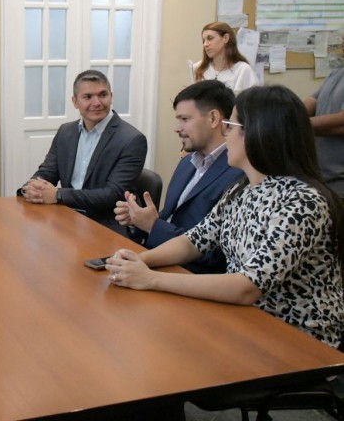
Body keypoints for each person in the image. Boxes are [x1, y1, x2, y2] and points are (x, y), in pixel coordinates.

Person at [105, 86, 344, 347]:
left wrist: (151, 279)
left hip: (295, 338)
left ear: (258, 133)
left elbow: (247, 287)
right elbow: (193, 241)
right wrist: (140, 260)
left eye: (231, 126)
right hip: (244, 320)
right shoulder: (241, 189)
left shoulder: (302, 203)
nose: (225, 133)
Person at [114, 80, 243, 274]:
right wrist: (139, 219)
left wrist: (153, 226)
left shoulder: (239, 173)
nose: (177, 128)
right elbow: (168, 220)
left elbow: (217, 255)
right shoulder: (187, 163)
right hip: (158, 261)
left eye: (185, 119)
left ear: (213, 118)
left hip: (193, 276)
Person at [18, 69, 147, 234]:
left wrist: (58, 195)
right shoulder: (66, 132)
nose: (97, 102)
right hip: (67, 216)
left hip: (105, 223)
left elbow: (112, 195)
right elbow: (47, 172)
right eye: (88, 97)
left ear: (111, 96)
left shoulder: (132, 139)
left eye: (103, 95)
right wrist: (31, 189)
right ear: (75, 101)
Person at [304, 67, 344, 199]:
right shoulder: (337, 72)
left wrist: (297, 124)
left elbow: (341, 124)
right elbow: (313, 99)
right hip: (322, 182)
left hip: (339, 185)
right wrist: (293, 114)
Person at [192, 21, 260, 95]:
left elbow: (253, 100)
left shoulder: (243, 70)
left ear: (225, 38)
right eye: (203, 40)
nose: (205, 44)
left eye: (210, 38)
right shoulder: (198, 68)